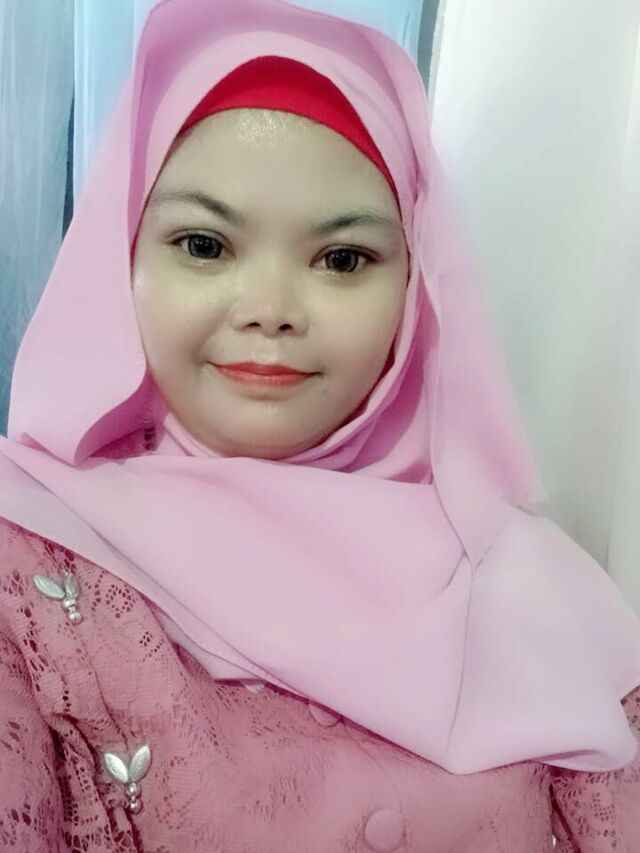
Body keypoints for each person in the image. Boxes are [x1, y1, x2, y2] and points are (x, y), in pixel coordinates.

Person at [1, 0, 639, 849]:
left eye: (342, 259)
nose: (270, 308)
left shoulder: (530, 579)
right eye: (204, 245)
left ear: (415, 287)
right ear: (120, 254)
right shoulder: (31, 556)